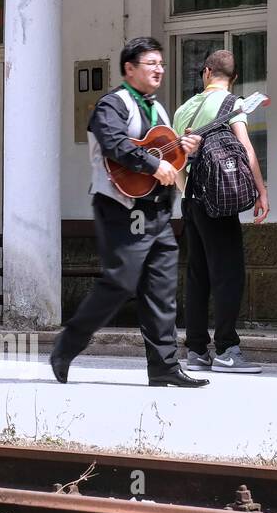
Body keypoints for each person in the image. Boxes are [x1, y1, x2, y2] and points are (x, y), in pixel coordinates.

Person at [49, 37, 208, 388]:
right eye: (151, 63)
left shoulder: (159, 110)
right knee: (120, 281)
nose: (159, 70)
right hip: (121, 208)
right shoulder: (112, 105)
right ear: (129, 69)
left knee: (162, 289)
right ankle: (66, 346)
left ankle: (164, 366)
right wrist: (153, 164)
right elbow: (115, 145)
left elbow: (166, 157)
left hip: (156, 211)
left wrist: (184, 148)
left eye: (161, 64)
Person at [172, 50, 268, 373]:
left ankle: (196, 350)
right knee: (229, 272)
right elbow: (246, 148)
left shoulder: (183, 110)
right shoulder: (232, 104)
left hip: (192, 203)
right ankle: (227, 349)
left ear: (206, 73)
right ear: (234, 78)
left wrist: (188, 194)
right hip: (219, 203)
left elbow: (176, 165)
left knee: (197, 274)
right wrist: (261, 191)